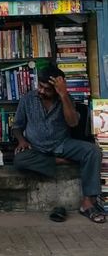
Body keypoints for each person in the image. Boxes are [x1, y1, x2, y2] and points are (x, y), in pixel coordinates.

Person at [12, 64, 105, 223]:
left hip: (62, 145)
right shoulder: (27, 99)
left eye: (47, 89)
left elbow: (73, 122)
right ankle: (58, 161)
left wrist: (63, 95)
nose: (42, 91)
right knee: (19, 160)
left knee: (93, 151)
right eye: (40, 87)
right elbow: (17, 126)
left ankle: (88, 202)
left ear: (57, 88)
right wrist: (22, 140)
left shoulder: (66, 100)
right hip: (36, 149)